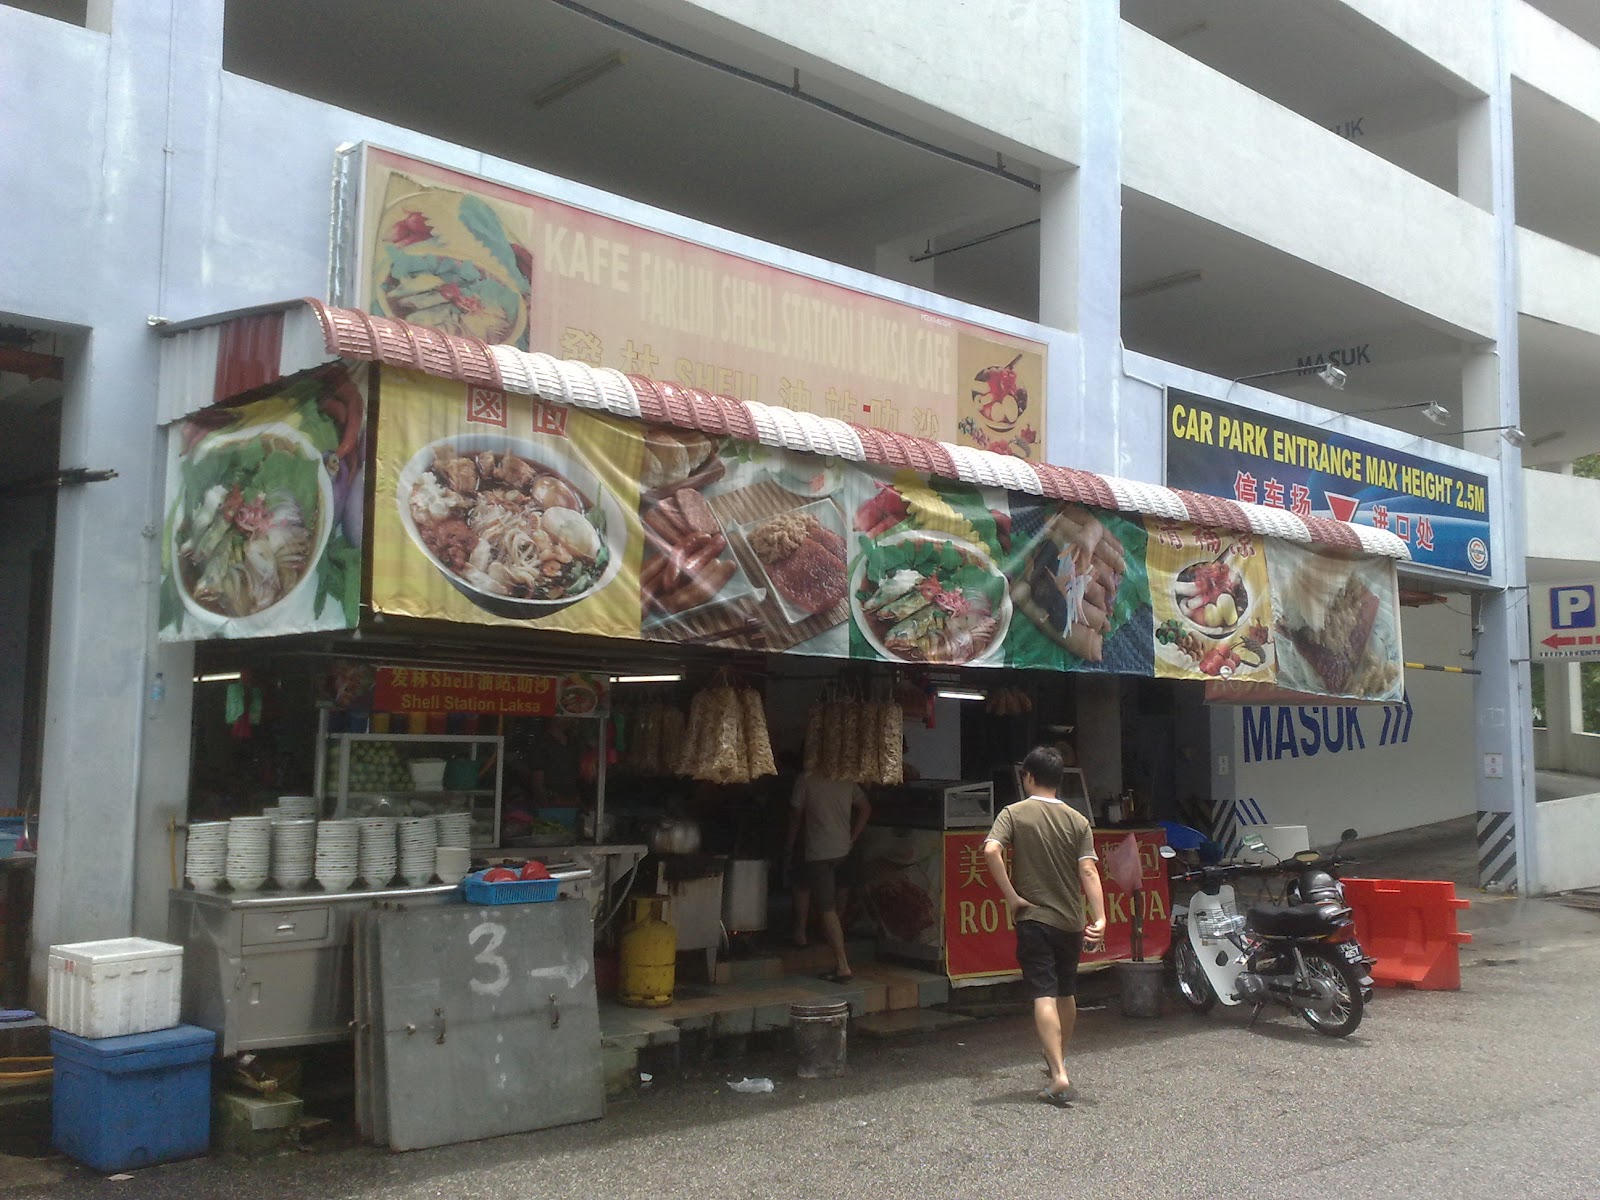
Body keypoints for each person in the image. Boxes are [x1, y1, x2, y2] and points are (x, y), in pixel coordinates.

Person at [983, 745, 1107, 1108]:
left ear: (1030, 778)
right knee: (1066, 992)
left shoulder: (1014, 813)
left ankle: (1058, 1074)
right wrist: (1099, 918)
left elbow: (991, 850)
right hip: (1071, 921)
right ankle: (1059, 1060)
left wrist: (1011, 896)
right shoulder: (1078, 820)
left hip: (1034, 918)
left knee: (1043, 993)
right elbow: (1088, 870)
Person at [786, 770, 871, 983]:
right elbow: (866, 808)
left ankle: (842, 964)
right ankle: (802, 934)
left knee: (826, 908)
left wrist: (789, 844)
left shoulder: (805, 779)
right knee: (819, 887)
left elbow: (796, 814)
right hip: (841, 849)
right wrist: (853, 837)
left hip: (818, 852)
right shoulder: (845, 777)